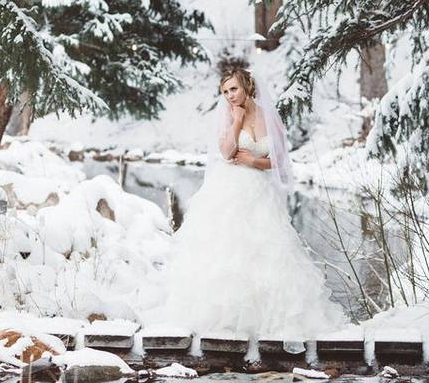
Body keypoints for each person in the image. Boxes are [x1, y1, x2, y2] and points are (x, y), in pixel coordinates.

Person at [147, 68, 347, 339]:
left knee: (264, 252)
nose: (230, 95)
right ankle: (223, 321)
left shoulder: (269, 117)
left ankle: (263, 321)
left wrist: (254, 161)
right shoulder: (228, 115)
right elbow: (226, 152)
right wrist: (237, 122)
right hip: (228, 190)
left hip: (260, 192)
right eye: (225, 91)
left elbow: (279, 161)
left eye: (234, 89)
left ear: (247, 87)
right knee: (227, 251)